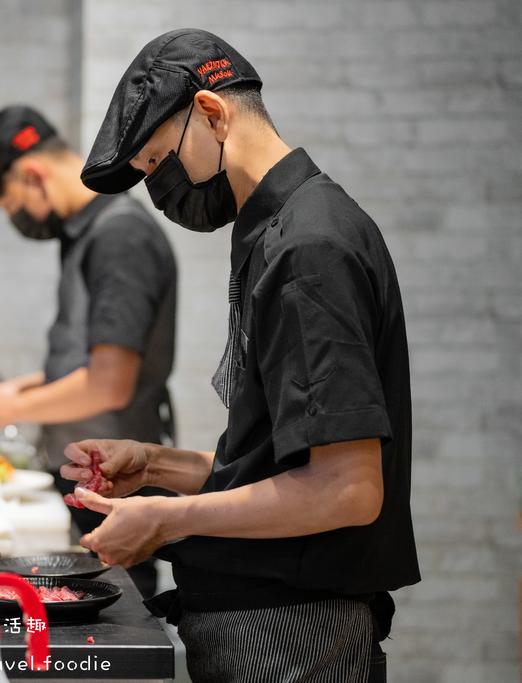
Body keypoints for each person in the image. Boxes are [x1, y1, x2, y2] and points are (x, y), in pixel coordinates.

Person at [62, 29, 420, 682]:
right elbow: (281, 465)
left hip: (295, 635)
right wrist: (156, 466)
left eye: (157, 162)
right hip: (260, 624)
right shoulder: (274, 233)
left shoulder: (310, 249)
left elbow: (347, 489)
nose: (162, 191)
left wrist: (166, 519)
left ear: (211, 112)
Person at [0, 105, 178, 598]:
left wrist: (9, 408)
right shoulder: (85, 233)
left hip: (116, 484)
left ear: (35, 175)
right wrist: (19, 387)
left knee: (116, 629)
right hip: (89, 478)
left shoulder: (119, 235)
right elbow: (87, 357)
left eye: (12, 201)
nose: (20, 217)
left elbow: (110, 381)